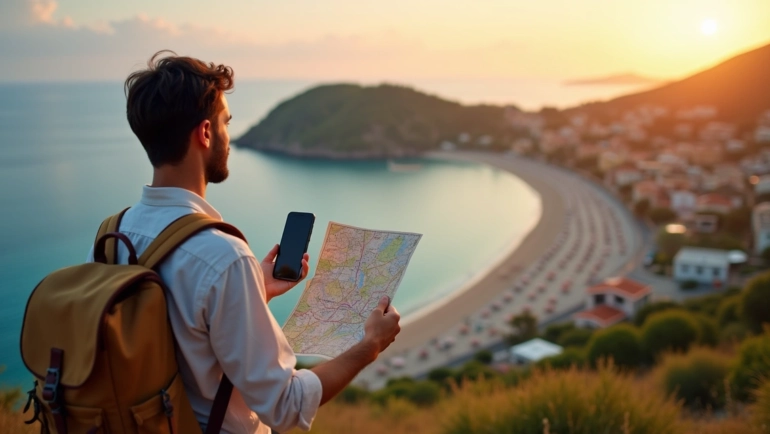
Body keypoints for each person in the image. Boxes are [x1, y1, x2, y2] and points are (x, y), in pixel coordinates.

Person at [88, 50, 401, 433]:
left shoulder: (111, 236)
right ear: (205, 133)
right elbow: (285, 406)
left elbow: (165, 337)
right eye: (226, 122)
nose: (228, 137)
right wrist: (370, 346)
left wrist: (255, 292)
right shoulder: (223, 256)